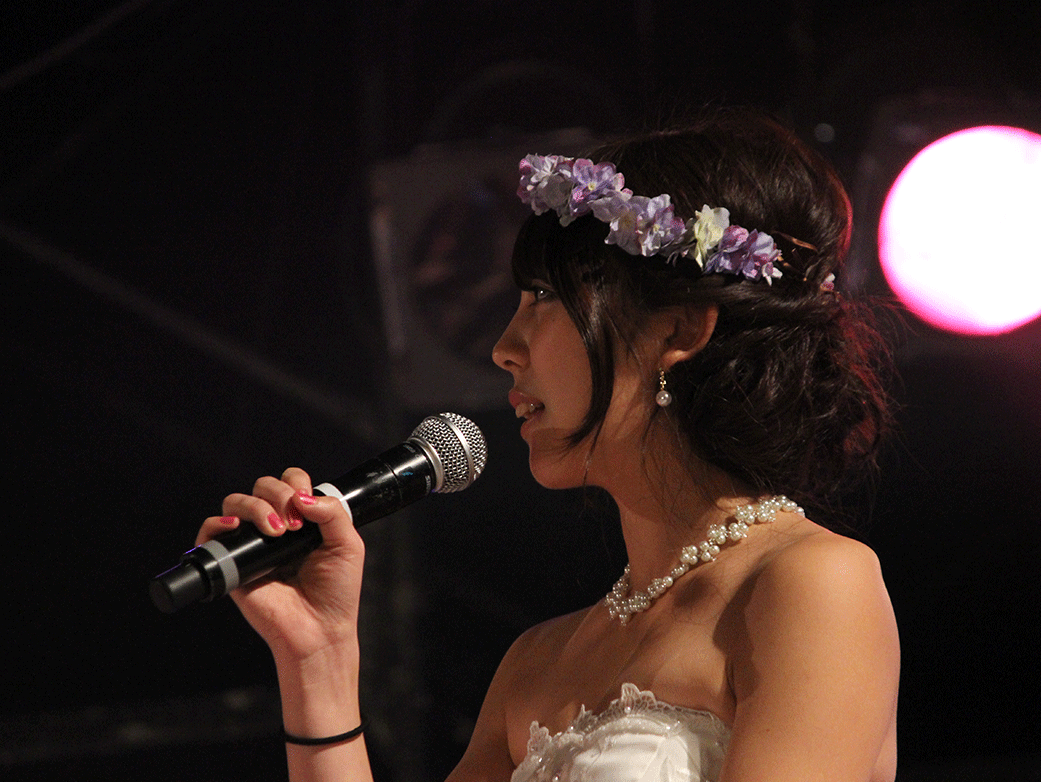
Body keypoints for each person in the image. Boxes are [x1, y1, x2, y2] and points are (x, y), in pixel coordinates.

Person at [196, 106, 900, 782]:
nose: (504, 347)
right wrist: (317, 660)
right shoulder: (536, 662)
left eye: (543, 296)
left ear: (679, 329)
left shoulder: (809, 584)